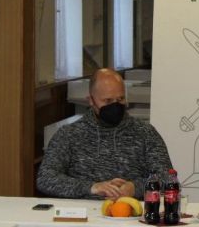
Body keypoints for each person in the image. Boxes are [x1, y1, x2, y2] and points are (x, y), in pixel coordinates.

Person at [36, 68, 173, 200]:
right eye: (107, 101)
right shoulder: (69, 135)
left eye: (120, 99)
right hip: (83, 212)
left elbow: (167, 178)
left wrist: (134, 188)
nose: (115, 105)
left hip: (131, 210)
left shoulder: (145, 133)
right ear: (91, 100)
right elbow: (45, 178)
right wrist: (92, 187)